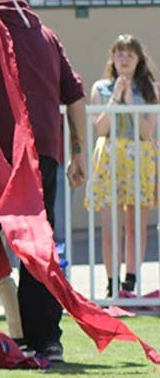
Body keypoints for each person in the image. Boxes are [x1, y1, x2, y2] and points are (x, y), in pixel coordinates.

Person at [0, 0, 88, 362]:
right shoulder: (46, 34)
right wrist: (79, 152)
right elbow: (75, 95)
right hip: (40, 156)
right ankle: (45, 339)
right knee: (37, 248)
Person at [87, 34, 159, 298]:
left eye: (130, 54)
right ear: (112, 58)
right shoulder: (101, 88)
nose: (124, 58)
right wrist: (116, 98)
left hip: (139, 157)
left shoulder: (149, 89)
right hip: (109, 158)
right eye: (119, 53)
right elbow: (101, 128)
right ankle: (111, 281)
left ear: (139, 59)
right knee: (110, 226)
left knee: (135, 226)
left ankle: (130, 281)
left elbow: (148, 132)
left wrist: (130, 102)